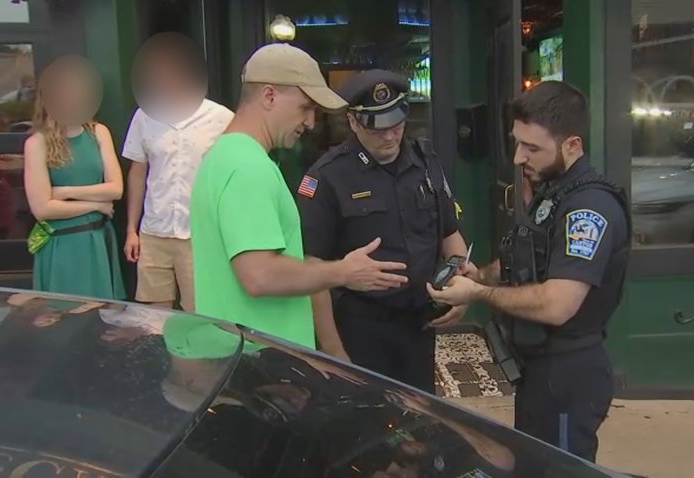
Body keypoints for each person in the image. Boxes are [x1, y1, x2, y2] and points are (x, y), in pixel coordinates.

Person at [427, 81, 631, 462]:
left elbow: (558, 304)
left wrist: (476, 295)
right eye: (517, 143)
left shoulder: (588, 209)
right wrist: (478, 275)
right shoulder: (552, 194)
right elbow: (524, 261)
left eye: (533, 148)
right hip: (539, 372)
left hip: (569, 374)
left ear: (572, 145)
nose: (519, 157)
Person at [188, 43, 409, 355]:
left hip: (237, 355)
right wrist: (342, 272)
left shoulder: (222, 156)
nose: (310, 123)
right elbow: (260, 275)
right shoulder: (248, 168)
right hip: (260, 365)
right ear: (269, 96)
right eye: (305, 107)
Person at [296, 69, 471, 393]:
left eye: (396, 125)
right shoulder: (327, 177)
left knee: (420, 421)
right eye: (377, 129)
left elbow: (450, 233)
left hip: (420, 323)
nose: (390, 137)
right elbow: (312, 270)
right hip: (362, 329)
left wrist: (462, 288)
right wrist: (334, 353)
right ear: (353, 122)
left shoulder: (425, 162)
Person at [122, 32, 234, 312]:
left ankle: (194, 358)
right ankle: (159, 358)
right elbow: (138, 173)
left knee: (199, 312)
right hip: (154, 231)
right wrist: (131, 230)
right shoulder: (144, 116)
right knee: (153, 315)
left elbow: (233, 175)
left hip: (198, 233)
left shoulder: (220, 117)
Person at [23, 55, 126, 300]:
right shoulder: (37, 144)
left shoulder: (99, 132)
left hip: (98, 240)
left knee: (101, 318)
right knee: (64, 318)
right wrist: (95, 204)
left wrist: (67, 192)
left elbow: (116, 189)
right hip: (62, 246)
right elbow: (43, 209)